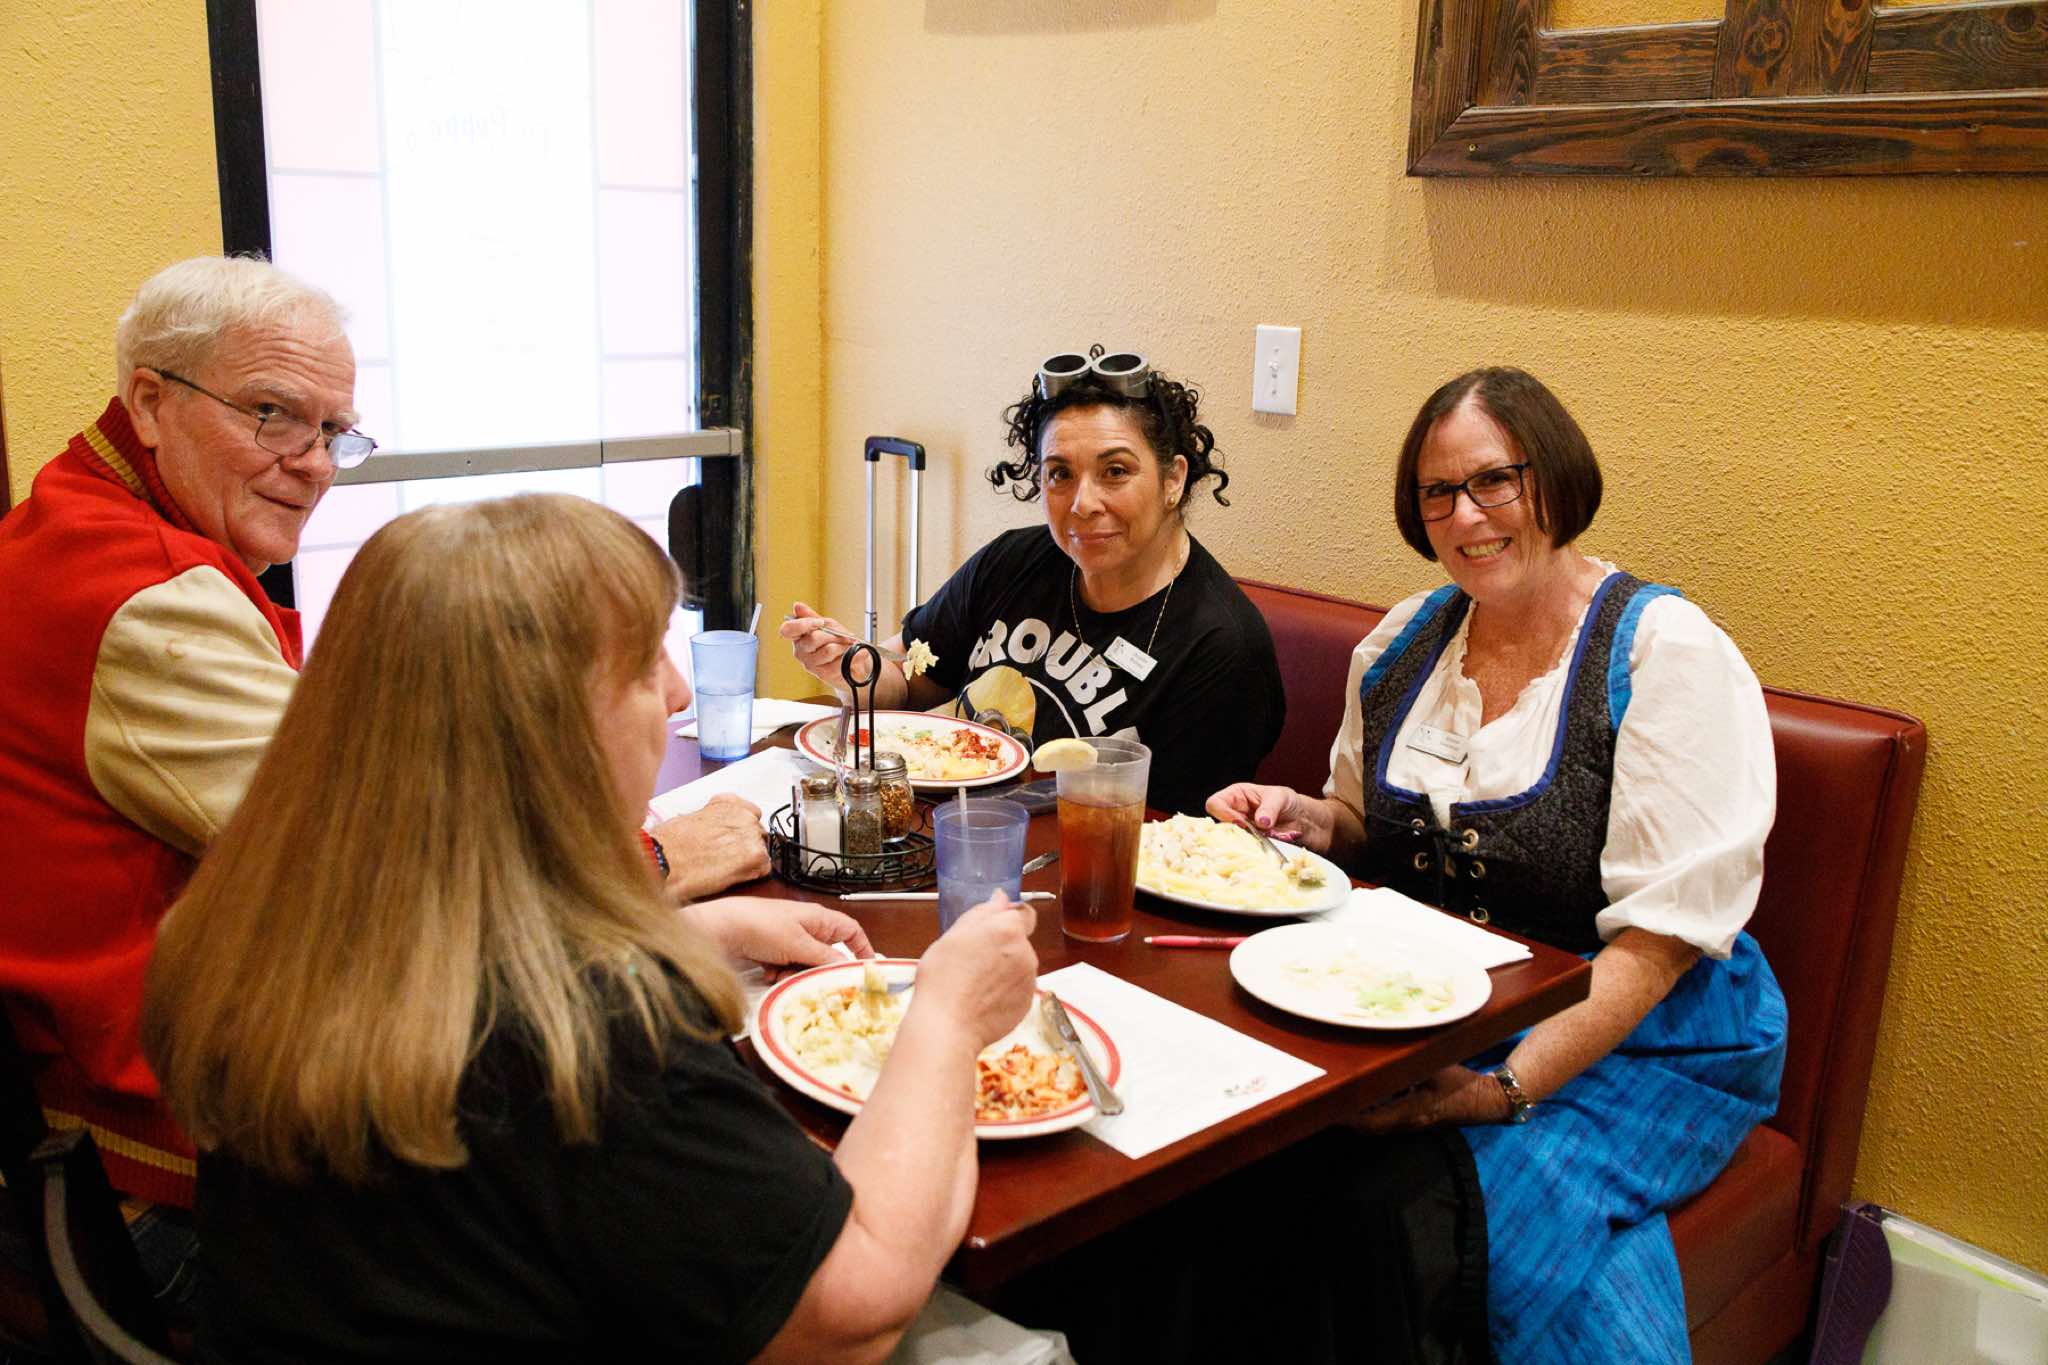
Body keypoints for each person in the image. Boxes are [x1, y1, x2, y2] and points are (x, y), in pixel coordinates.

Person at [142, 494, 1048, 1362]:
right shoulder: (594, 1034)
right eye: (645, 664)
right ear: (546, 731)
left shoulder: (271, 914)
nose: (679, 690)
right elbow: (853, 1307)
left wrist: (692, 930)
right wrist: (946, 1014)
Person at [0, 257, 769, 1212]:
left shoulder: (82, 520)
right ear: (151, 403)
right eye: (272, 414)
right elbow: (390, 870)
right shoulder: (146, 599)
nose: (315, 463)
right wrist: (655, 862)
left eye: (333, 431)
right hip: (178, 1156)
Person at [1209, 367, 1787, 1362]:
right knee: (1254, 1157)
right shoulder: (1402, 644)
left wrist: (1501, 1091)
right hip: (1434, 1005)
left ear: (1553, 476)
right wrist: (1308, 819)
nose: (1465, 516)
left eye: (1492, 481)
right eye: (1438, 492)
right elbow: (1365, 824)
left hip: (1647, 1035)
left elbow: (1655, 951)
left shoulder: (1662, 655)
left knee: (1434, 1212)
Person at [781, 347, 1283, 815]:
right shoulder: (1014, 561)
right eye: (1060, 474)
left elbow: (1175, 838)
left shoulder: (1221, 646)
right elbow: (906, 682)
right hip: (949, 831)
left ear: (1173, 479)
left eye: (1115, 471)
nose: (1083, 503)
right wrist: (851, 666)